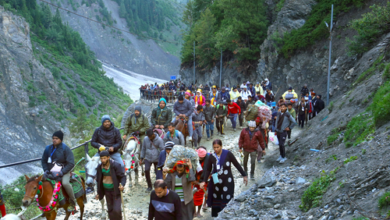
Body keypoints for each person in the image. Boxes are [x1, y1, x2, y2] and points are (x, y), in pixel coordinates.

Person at [199, 139, 248, 217]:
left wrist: (244, 175)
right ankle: (217, 217)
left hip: (227, 181)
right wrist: (204, 181)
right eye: (214, 147)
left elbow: (237, 164)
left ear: (221, 146)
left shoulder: (228, 154)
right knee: (217, 198)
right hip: (216, 182)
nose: (216, 149)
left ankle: (226, 215)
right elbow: (208, 169)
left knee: (227, 197)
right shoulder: (212, 156)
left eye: (218, 147)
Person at [42, 131, 76, 212]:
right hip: (51, 171)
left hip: (64, 171)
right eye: (53, 138)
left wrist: (62, 172)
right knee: (41, 183)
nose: (54, 140)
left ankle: (72, 202)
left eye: (56, 138)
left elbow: (71, 163)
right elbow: (43, 161)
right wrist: (46, 170)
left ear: (61, 139)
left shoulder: (65, 149)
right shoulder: (48, 148)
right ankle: (45, 205)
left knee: (65, 183)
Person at [95, 151, 126, 220]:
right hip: (106, 191)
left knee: (117, 210)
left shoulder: (116, 165)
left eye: (104, 158)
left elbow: (123, 177)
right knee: (110, 210)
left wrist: (122, 185)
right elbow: (98, 181)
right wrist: (98, 193)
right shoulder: (99, 167)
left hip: (115, 191)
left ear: (108, 157)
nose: (103, 160)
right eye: (101, 158)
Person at [193, 148, 209, 217]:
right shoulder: (193, 160)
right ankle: (194, 212)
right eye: (199, 157)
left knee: (201, 197)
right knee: (193, 197)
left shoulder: (208, 161)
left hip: (203, 182)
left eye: (202, 158)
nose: (200, 159)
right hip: (194, 181)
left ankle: (198, 211)